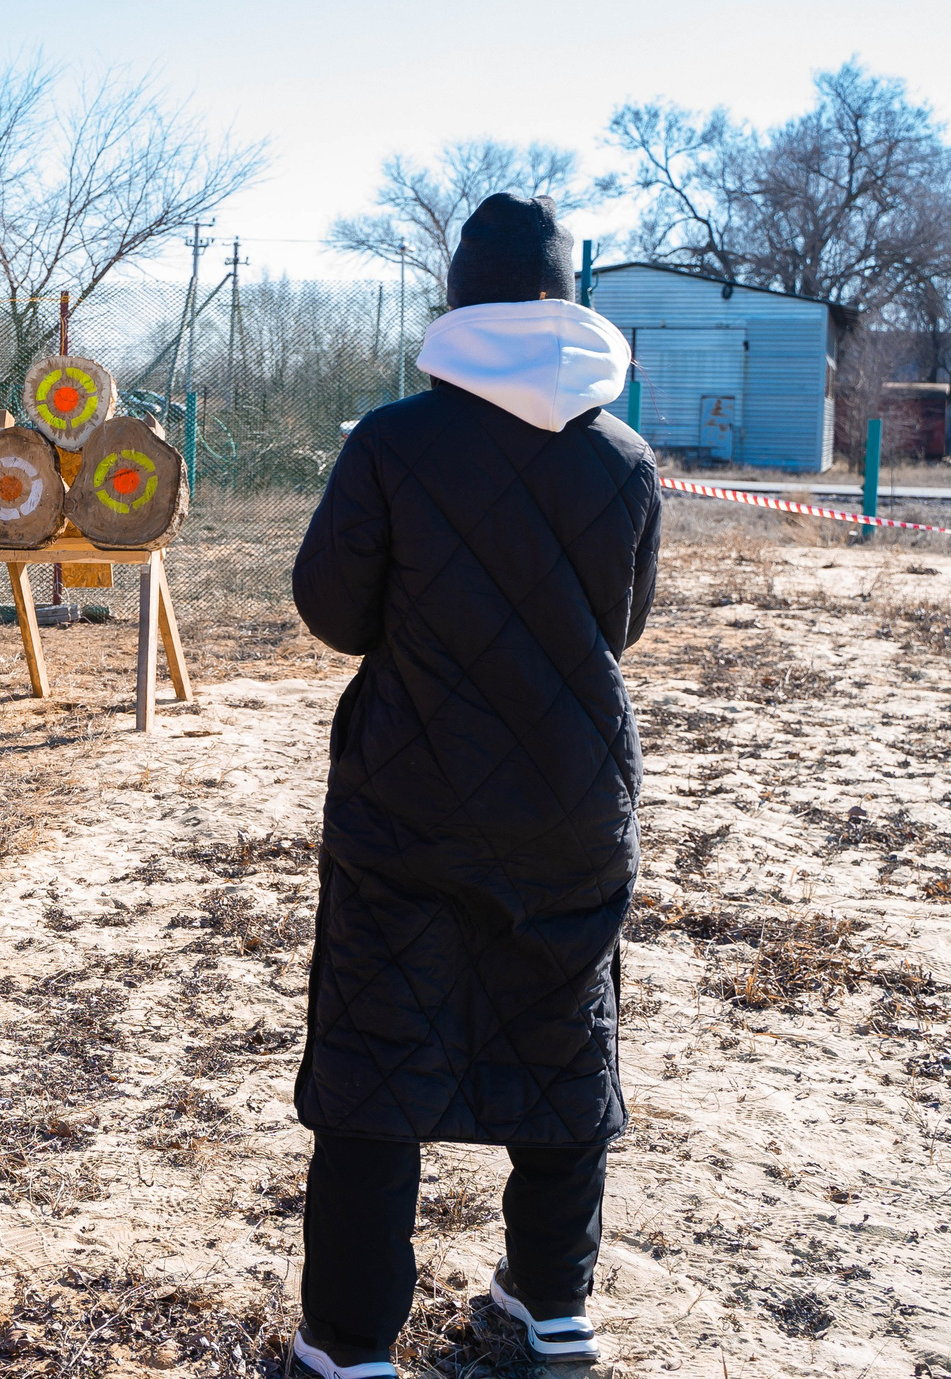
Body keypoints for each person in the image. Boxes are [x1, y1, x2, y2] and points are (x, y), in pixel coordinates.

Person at [284, 193, 658, 1378]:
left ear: (457, 299)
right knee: (560, 1054)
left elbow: (333, 613)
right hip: (573, 802)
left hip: (412, 799)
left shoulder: (393, 443)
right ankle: (552, 1315)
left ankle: (347, 1350)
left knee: (375, 1067)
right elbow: (624, 625)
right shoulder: (625, 456)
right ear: (562, 300)